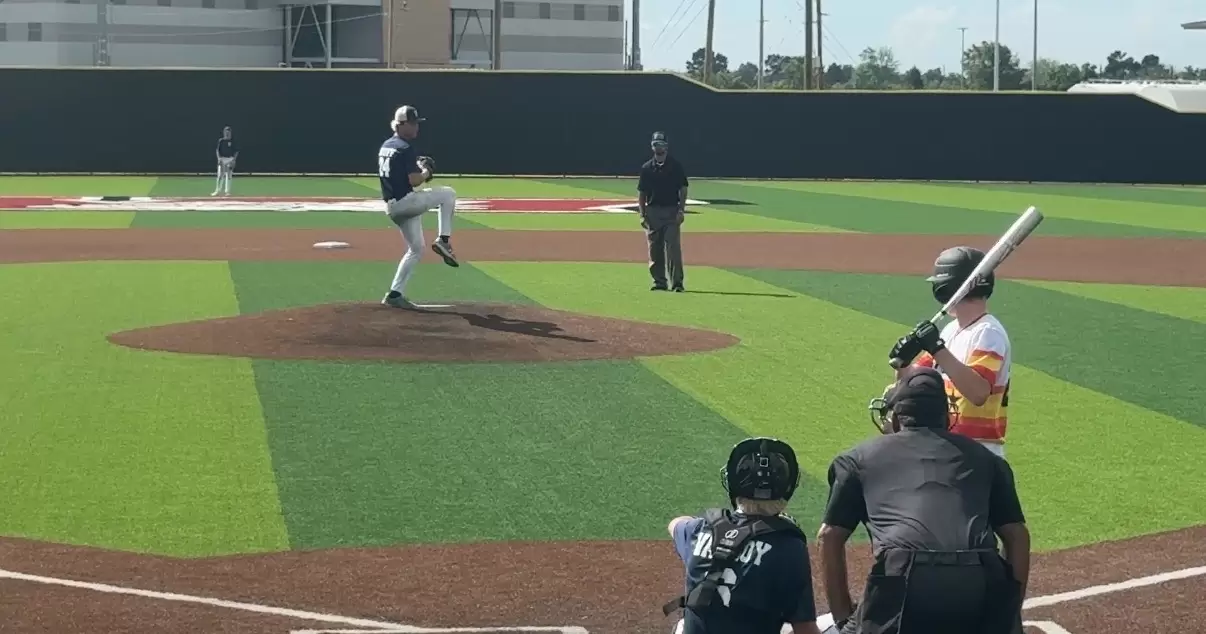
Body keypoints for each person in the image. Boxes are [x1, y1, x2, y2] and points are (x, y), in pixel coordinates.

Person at [816, 366, 1031, 634]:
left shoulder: (855, 460)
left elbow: (829, 537)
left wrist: (844, 619)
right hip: (977, 580)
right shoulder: (989, 460)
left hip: (902, 584)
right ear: (947, 417)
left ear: (896, 418)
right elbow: (1017, 537)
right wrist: (1008, 617)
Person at [663, 437, 823, 634]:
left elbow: (675, 524)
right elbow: (805, 629)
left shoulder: (700, 528)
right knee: (834, 624)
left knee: (682, 625)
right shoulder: (789, 547)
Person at [886, 246, 1013, 458]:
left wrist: (937, 348)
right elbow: (915, 381)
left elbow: (978, 393)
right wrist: (902, 363)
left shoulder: (987, 332)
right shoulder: (951, 330)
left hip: (976, 453)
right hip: (947, 447)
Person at [376, 105, 460, 310]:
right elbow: (414, 180)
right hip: (406, 202)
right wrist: (426, 172)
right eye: (412, 123)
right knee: (448, 193)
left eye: (416, 123)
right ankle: (444, 240)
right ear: (400, 125)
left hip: (393, 207)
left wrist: (419, 169)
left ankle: (394, 294)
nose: (416, 127)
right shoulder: (405, 147)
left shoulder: (387, 145)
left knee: (416, 249)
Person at [637, 131, 688, 292]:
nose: (658, 148)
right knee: (654, 249)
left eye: (661, 145)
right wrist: (642, 214)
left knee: (673, 248)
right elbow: (642, 193)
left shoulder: (675, 166)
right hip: (653, 212)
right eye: (655, 145)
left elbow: (683, 188)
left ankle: (677, 283)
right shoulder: (647, 168)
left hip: (671, 211)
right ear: (652, 147)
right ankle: (659, 281)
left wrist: (681, 210)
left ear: (666, 147)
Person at [212, 126, 239, 197]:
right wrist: (219, 159)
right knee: (220, 175)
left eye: (228, 132)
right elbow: (217, 150)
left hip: (230, 159)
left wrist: (233, 160)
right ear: (224, 132)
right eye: (226, 132)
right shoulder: (221, 141)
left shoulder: (233, 141)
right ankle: (217, 191)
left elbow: (236, 152)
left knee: (229, 175)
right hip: (222, 159)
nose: (227, 133)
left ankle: (227, 191)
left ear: (230, 133)